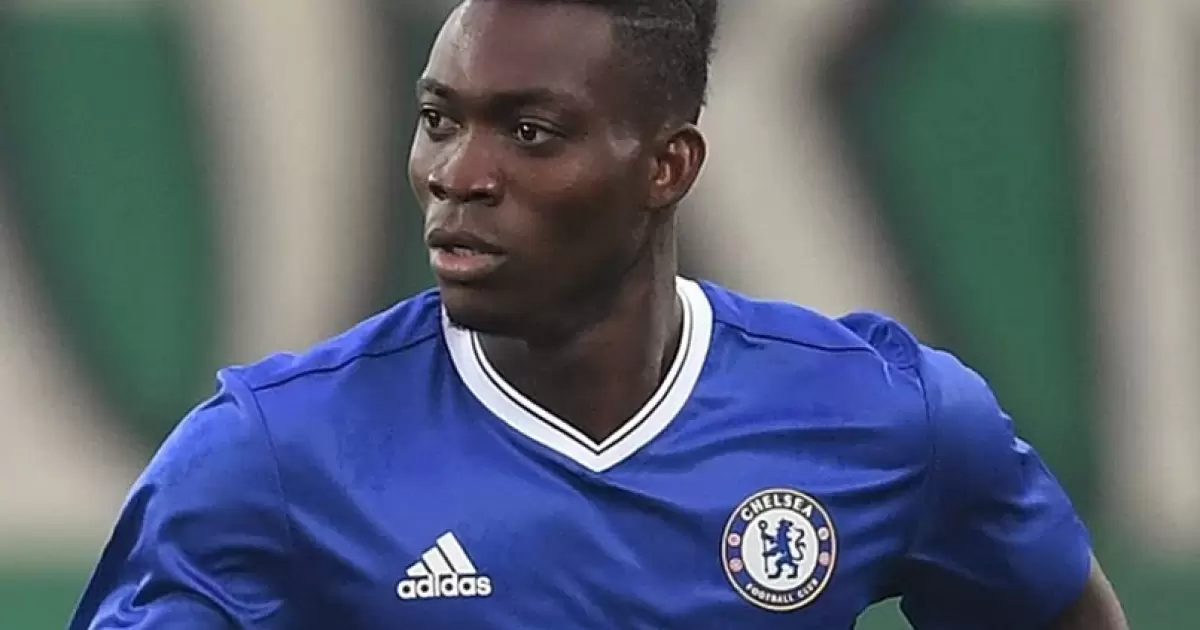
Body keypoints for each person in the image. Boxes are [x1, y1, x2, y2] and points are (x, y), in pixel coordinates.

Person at [70, 0, 1128, 628]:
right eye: (438, 118)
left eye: (529, 132)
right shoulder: (268, 457)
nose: (458, 174)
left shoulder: (888, 419)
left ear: (667, 166)